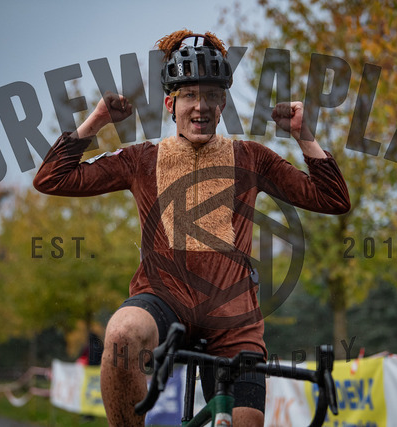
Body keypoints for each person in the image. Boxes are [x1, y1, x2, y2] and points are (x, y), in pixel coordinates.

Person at [33, 29, 350, 426]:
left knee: (245, 422)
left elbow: (333, 199)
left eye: (212, 95)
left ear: (223, 104)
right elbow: (52, 179)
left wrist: (304, 136)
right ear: (171, 103)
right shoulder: (141, 160)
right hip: (163, 300)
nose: (201, 106)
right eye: (189, 96)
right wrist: (96, 121)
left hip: (233, 318)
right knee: (121, 335)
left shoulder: (251, 158)